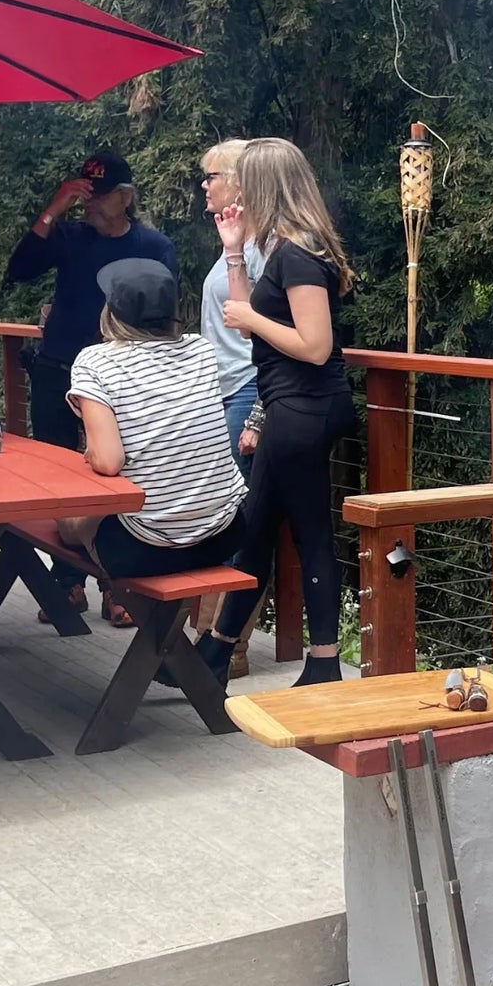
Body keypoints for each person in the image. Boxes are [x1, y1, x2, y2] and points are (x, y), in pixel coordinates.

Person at [199, 139, 356, 688]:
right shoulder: (283, 247)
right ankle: (217, 651)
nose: (237, 192)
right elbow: (248, 325)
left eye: (246, 181)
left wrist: (252, 318)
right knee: (256, 528)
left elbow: (315, 346)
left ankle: (323, 664)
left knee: (310, 535)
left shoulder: (298, 254)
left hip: (305, 408)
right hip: (291, 406)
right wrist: (234, 250)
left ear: (266, 186)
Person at [4, 149, 176, 621]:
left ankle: (116, 586)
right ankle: (67, 582)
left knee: (119, 475)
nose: (88, 203)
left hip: (124, 377)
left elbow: (165, 313)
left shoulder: (153, 245)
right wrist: (53, 208)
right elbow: (19, 270)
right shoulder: (68, 236)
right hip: (59, 368)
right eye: (82, 194)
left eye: (97, 195)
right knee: (58, 478)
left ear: (125, 198)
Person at [55, 258, 247, 579]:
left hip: (144, 546)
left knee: (66, 519)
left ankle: (88, 593)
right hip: (223, 534)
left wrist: (93, 453)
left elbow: (109, 461)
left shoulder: (95, 362)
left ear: (112, 311)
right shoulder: (202, 351)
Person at [197, 139, 266, 475]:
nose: (204, 185)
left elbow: (279, 325)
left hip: (249, 387)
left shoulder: (265, 247)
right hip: (222, 387)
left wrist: (259, 414)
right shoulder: (237, 244)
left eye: (211, 176)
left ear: (239, 183)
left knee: (239, 493)